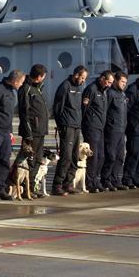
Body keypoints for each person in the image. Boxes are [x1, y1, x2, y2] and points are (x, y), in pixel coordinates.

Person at [0, 69, 26, 200]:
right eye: (21, 82)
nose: (21, 85)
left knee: (5, 161)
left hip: (6, 132)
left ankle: (0, 188)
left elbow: (8, 115)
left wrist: (11, 131)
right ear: (15, 81)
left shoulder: (12, 92)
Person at [51, 66, 88, 195]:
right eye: (82, 78)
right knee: (66, 155)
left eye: (84, 79)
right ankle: (57, 185)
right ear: (76, 75)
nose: (83, 81)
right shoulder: (65, 86)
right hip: (67, 125)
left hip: (77, 125)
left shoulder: (79, 87)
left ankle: (68, 183)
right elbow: (57, 107)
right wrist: (60, 125)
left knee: (74, 156)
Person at [82, 70, 113, 192]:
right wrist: (86, 125)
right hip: (91, 127)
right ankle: (90, 182)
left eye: (111, 83)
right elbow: (84, 109)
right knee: (93, 156)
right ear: (102, 78)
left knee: (101, 156)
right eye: (108, 82)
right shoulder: (92, 89)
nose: (109, 85)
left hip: (101, 128)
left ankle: (96, 180)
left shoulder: (104, 92)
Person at [17, 64, 49, 177]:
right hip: (32, 131)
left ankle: (32, 185)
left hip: (40, 130)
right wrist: (28, 133)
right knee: (30, 159)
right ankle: (26, 187)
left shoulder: (37, 88)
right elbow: (24, 112)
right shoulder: (26, 89)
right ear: (39, 76)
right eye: (44, 76)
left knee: (38, 159)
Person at [102, 72, 128, 190]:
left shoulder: (122, 95)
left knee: (120, 156)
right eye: (122, 82)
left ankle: (116, 179)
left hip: (121, 130)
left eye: (125, 82)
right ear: (116, 81)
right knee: (111, 156)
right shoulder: (110, 94)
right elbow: (105, 111)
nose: (124, 84)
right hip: (112, 130)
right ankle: (106, 179)